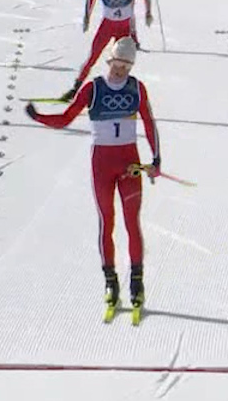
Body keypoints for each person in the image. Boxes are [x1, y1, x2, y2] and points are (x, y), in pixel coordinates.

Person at [25, 37, 160, 316]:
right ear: (109, 61)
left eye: (126, 65)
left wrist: (156, 159)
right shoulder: (94, 88)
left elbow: (149, 123)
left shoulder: (137, 88)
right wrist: (38, 117)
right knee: (106, 222)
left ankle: (136, 282)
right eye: (117, 64)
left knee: (132, 223)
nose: (121, 70)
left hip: (129, 164)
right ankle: (110, 282)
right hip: (102, 163)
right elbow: (66, 118)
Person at [61, 0, 152, 101]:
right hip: (106, 27)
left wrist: (148, 12)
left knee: (122, 62)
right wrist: (87, 17)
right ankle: (75, 89)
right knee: (92, 58)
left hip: (123, 28)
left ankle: (120, 89)